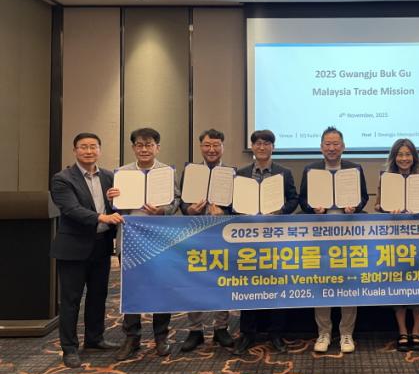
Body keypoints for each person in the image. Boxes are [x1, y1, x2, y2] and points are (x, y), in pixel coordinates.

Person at [50, 133, 123, 368]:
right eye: (83, 147)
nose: (89, 151)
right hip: (73, 248)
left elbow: (117, 207)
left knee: (98, 295)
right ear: (75, 151)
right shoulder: (62, 179)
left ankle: (94, 338)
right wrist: (103, 217)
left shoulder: (110, 177)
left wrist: (115, 204)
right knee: (71, 300)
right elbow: (71, 209)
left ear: (99, 150)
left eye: (93, 147)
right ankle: (69, 348)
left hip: (101, 245)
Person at [107, 128, 181, 360]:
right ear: (133, 148)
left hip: (159, 239)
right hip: (131, 239)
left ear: (157, 148)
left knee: (162, 288)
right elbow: (114, 210)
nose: (144, 149)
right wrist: (113, 200)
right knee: (132, 289)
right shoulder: (122, 174)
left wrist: (162, 210)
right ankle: (132, 337)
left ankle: (161, 336)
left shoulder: (167, 172)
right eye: (139, 145)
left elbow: (176, 200)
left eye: (149, 145)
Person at [299, 126, 369, 353]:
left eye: (336, 144)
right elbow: (302, 200)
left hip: (348, 236)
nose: (332, 148)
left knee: (348, 283)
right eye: (327, 144)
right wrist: (312, 208)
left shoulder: (354, 169)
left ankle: (347, 333)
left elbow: (364, 197)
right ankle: (324, 332)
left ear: (343, 146)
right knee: (323, 283)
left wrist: (355, 206)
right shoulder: (311, 170)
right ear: (321, 147)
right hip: (319, 237)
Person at [231, 129, 299, 355]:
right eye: (258, 143)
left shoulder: (284, 173)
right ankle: (247, 333)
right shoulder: (241, 173)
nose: (262, 147)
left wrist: (281, 211)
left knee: (276, 284)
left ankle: (276, 333)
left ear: (273, 147)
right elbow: (232, 203)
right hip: (248, 240)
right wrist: (240, 211)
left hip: (275, 238)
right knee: (248, 285)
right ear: (252, 147)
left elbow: (294, 200)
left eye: (266, 143)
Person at [179, 129, 234, 352]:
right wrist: (190, 210)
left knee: (223, 280)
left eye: (216, 145)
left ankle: (221, 327)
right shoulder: (191, 172)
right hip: (195, 235)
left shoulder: (232, 173)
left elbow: (237, 206)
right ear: (200, 147)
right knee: (195, 281)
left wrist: (225, 212)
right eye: (207, 145)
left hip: (222, 235)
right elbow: (182, 203)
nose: (212, 149)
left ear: (223, 147)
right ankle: (195, 330)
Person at [374, 138, 419, 352]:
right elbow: (377, 205)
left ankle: (417, 330)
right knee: (399, 283)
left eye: (408, 154)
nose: (404, 158)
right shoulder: (386, 179)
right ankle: (403, 330)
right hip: (395, 239)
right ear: (394, 158)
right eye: (400, 154)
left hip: (418, 238)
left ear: (414, 157)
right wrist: (387, 209)